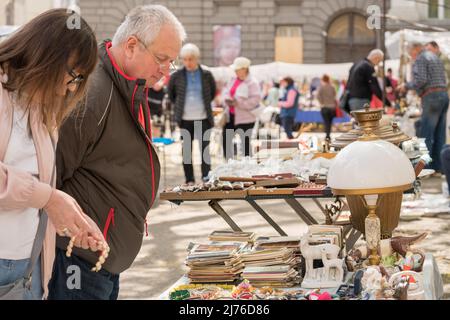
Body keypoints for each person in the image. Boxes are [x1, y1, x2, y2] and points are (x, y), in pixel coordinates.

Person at [48, 5, 186, 300]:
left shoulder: (126, 85)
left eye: (171, 62)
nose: (165, 70)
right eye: (162, 59)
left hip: (102, 257)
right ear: (132, 46)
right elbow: (51, 175)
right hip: (78, 260)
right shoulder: (93, 92)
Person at [0, 9, 103, 300]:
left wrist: (69, 218)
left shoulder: (40, 110)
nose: (68, 89)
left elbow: (36, 188)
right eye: (72, 75)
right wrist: (49, 198)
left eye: (79, 81)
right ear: (47, 54)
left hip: (28, 268)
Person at [168, 43, 216, 184]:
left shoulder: (206, 74)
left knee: (205, 151)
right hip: (185, 119)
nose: (188, 62)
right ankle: (189, 179)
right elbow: (172, 95)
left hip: (203, 118)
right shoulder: (177, 76)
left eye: (191, 59)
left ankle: (206, 177)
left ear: (197, 59)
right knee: (187, 151)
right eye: (185, 59)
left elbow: (211, 93)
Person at [399, 41, 449, 174]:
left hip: (431, 97)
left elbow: (421, 80)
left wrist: (406, 86)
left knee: (426, 134)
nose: (411, 56)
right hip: (443, 95)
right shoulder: (434, 56)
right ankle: (440, 167)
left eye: (410, 53)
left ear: (415, 49)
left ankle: (425, 168)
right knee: (440, 134)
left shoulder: (421, 58)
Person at [222, 57, 261, 159]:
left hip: (246, 118)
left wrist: (239, 103)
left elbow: (255, 100)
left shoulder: (253, 83)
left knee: (245, 144)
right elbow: (226, 91)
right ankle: (229, 163)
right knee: (226, 139)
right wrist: (227, 99)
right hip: (231, 116)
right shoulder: (233, 80)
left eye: (237, 69)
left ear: (245, 69)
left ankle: (247, 165)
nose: (235, 71)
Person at [317, 74, 337, 140]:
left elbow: (318, 96)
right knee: (330, 122)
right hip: (332, 107)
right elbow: (335, 96)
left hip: (325, 107)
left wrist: (321, 103)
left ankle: (327, 135)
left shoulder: (321, 87)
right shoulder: (332, 87)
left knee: (326, 122)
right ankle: (328, 134)